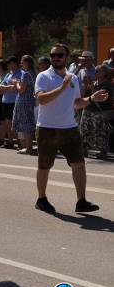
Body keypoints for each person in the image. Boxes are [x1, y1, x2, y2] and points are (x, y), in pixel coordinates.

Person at [34, 43, 108, 214]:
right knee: (44, 166)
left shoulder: (72, 78)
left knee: (79, 164)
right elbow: (42, 99)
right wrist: (61, 88)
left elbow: (76, 103)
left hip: (70, 128)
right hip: (47, 129)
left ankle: (81, 201)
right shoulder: (43, 76)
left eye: (59, 55)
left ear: (66, 57)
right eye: (53, 55)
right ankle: (41, 199)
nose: (55, 58)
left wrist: (92, 98)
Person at [80, 64, 113, 159]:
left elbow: (98, 97)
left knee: (100, 131)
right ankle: (84, 148)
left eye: (97, 71)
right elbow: (82, 96)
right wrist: (85, 85)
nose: (95, 72)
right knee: (84, 130)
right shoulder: (93, 84)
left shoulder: (107, 84)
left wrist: (91, 85)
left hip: (99, 111)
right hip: (87, 110)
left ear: (104, 73)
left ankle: (103, 151)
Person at [11, 55, 37, 154]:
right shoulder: (32, 73)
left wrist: (16, 83)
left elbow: (22, 89)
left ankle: (28, 147)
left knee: (26, 124)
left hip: (24, 101)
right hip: (29, 100)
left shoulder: (26, 74)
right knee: (28, 123)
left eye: (22, 62)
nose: (21, 63)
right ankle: (28, 146)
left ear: (27, 63)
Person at [0, 56, 22, 148]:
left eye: (9, 63)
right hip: (5, 100)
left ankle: (20, 142)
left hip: (14, 101)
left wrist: (7, 88)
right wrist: (9, 87)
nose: (7, 65)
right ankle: (10, 141)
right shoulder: (8, 74)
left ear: (15, 63)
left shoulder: (21, 73)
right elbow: (1, 87)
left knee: (11, 122)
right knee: (7, 121)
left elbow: (15, 88)